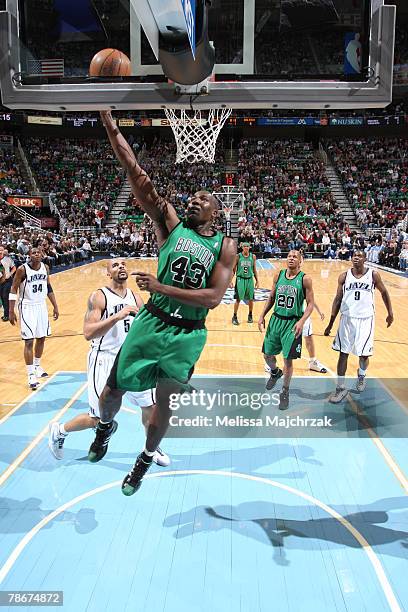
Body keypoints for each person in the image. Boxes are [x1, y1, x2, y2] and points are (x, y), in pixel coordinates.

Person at [87, 110, 236, 496]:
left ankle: (145, 458)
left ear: (216, 211)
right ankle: (105, 428)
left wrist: (160, 286)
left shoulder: (225, 247)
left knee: (164, 406)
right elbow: (138, 175)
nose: (193, 200)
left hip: (186, 334)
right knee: (111, 392)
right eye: (191, 196)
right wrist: (111, 127)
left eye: (202, 198)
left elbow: (215, 298)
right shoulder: (170, 223)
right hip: (151, 324)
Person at [48, 259, 170, 466]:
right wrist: (117, 316)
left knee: (150, 406)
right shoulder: (99, 297)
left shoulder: (135, 298)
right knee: (97, 419)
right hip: (104, 359)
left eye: (123, 264)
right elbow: (88, 333)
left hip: (131, 360)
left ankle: (151, 448)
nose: (120, 267)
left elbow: (146, 328)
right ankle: (59, 431)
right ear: (108, 273)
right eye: (115, 265)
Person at [324, 249, 394, 403]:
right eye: (354, 255)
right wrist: (330, 324)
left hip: (366, 319)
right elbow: (337, 299)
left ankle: (361, 375)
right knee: (343, 353)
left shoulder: (373, 275)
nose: (356, 257)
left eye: (359, 256)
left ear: (365, 259)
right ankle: (340, 388)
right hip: (347, 319)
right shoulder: (344, 276)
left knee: (364, 355)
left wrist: (390, 312)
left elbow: (384, 293)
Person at [258, 250, 314, 410]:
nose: (291, 258)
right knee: (267, 355)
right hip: (276, 320)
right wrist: (262, 314)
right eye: (289, 256)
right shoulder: (278, 275)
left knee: (288, 360)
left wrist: (302, 321)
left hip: (292, 324)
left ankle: (285, 391)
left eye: (295, 256)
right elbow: (271, 297)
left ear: (300, 260)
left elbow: (310, 304)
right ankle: (275, 372)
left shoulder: (305, 279)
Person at [8, 246, 59, 389]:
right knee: (29, 341)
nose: (37, 254)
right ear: (29, 255)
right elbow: (13, 288)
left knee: (41, 338)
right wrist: (11, 311)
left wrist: (55, 305)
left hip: (41, 305)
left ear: (42, 254)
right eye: (33, 253)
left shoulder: (46, 268)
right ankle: (30, 375)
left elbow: (48, 287)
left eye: (38, 252)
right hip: (27, 306)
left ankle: (37, 366)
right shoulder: (22, 269)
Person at [231, 242, 259, 325]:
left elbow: (254, 269)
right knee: (238, 299)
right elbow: (233, 269)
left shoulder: (253, 256)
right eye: (245, 246)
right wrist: (230, 280)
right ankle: (234, 316)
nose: (246, 247)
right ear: (242, 247)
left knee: (251, 299)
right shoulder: (238, 256)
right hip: (240, 279)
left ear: (249, 247)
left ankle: (250, 315)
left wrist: (257, 280)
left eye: (247, 246)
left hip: (250, 279)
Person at [0, 245, 16, 322]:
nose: (0, 251)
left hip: (7, 280)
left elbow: (14, 267)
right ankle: (8, 313)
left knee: (5, 296)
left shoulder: (8, 259)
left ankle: (7, 315)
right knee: (2, 298)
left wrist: (10, 274)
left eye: (1, 250)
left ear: (4, 251)